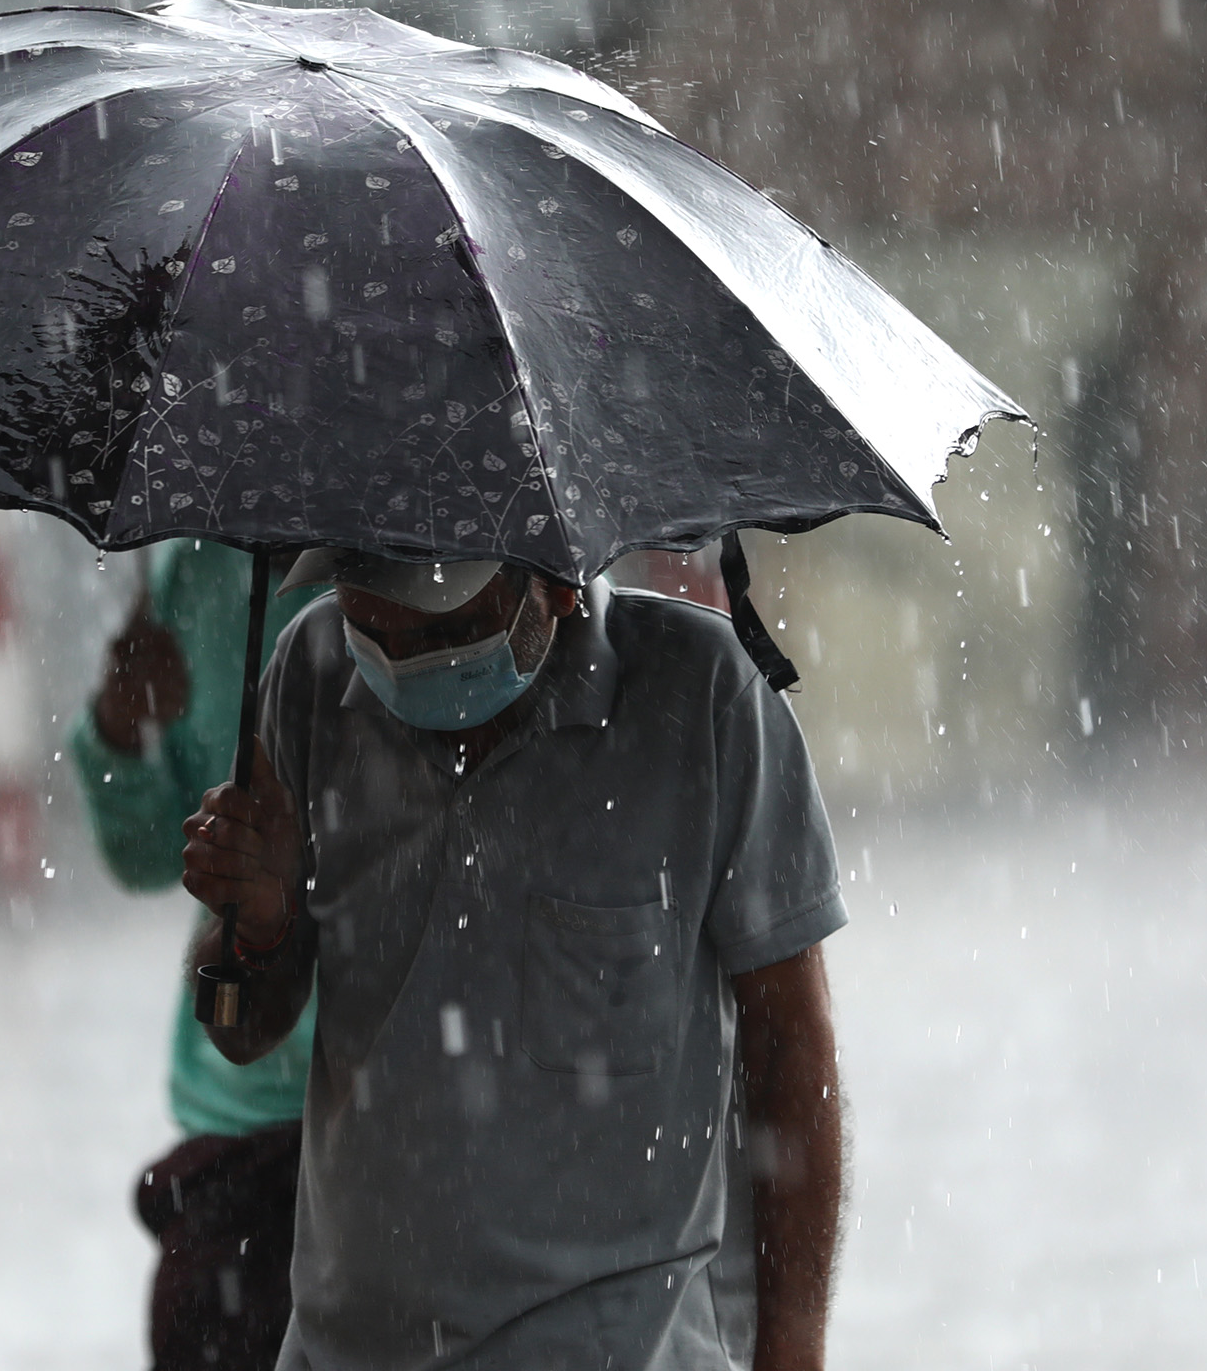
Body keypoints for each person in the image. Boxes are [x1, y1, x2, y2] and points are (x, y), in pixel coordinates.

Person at [181, 551, 847, 1371]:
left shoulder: (704, 695)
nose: (410, 668)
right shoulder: (313, 675)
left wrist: (794, 1350)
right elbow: (244, 1031)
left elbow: (790, 1044)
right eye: (374, 631)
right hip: (350, 1345)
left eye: (453, 633)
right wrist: (259, 922)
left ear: (559, 582)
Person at [70, 538, 324, 1371]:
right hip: (237, 1113)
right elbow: (148, 854)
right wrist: (120, 728)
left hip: (396, 1111)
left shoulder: (424, 555)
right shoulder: (201, 571)